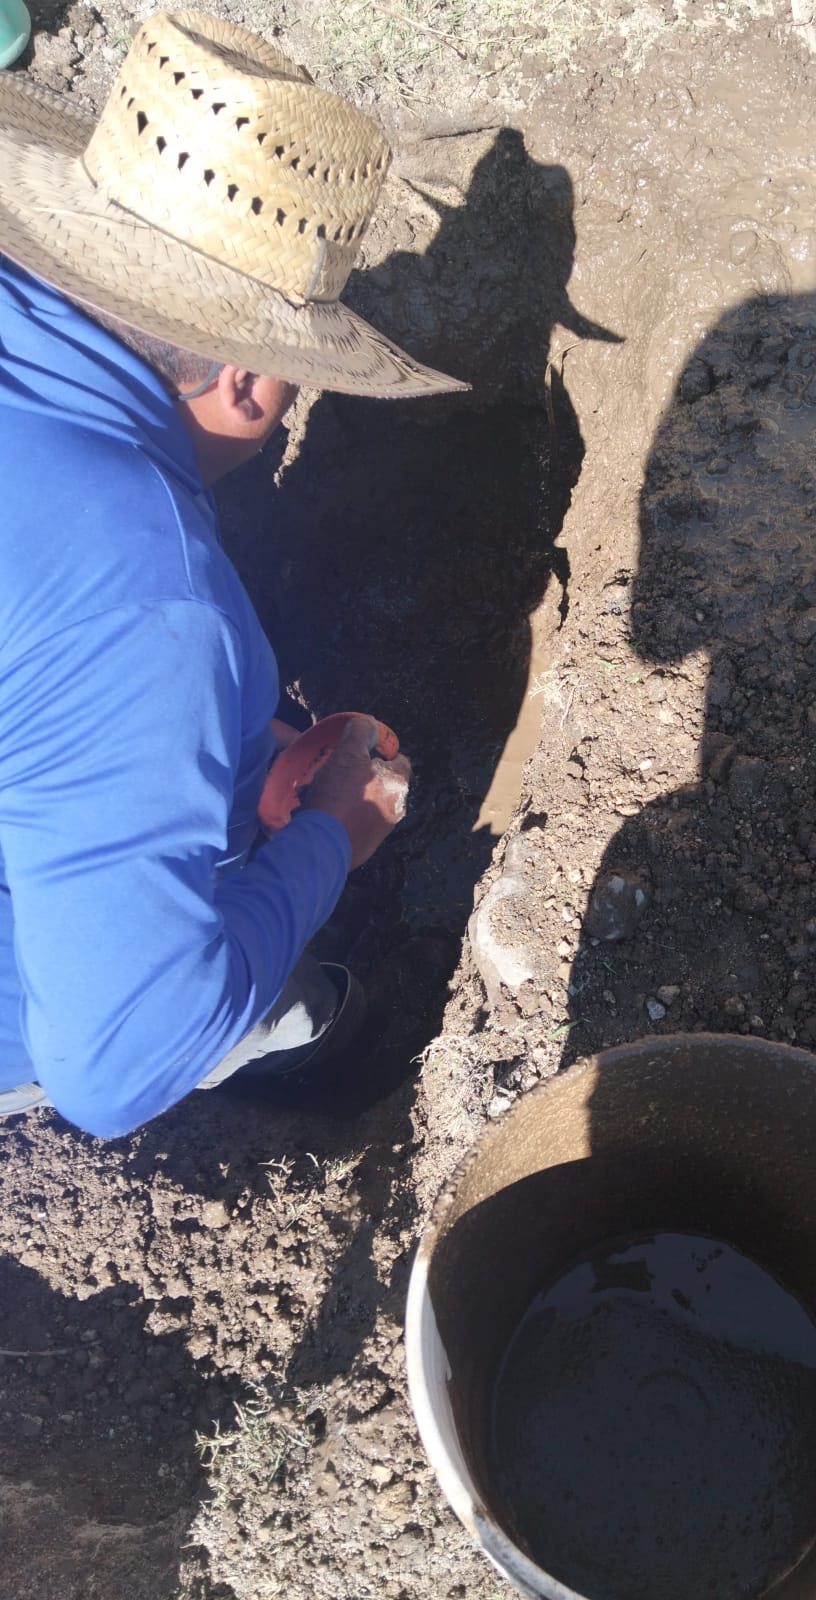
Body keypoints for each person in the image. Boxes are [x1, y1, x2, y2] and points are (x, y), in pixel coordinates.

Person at [0, 11, 466, 1137]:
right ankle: (307, 1044)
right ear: (250, 383)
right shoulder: (152, 609)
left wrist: (223, 746)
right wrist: (330, 835)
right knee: (259, 1014)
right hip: (71, 1004)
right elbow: (115, 1063)